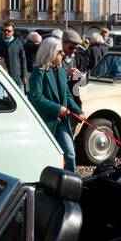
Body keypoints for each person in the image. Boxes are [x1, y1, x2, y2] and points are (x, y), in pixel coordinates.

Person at [27, 36, 82, 171]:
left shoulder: (62, 71)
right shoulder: (38, 72)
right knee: (46, 156)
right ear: (50, 52)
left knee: (70, 154)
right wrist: (58, 108)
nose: (63, 54)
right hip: (46, 122)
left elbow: (67, 95)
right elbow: (35, 98)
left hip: (61, 121)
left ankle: (71, 183)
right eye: (59, 52)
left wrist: (78, 111)